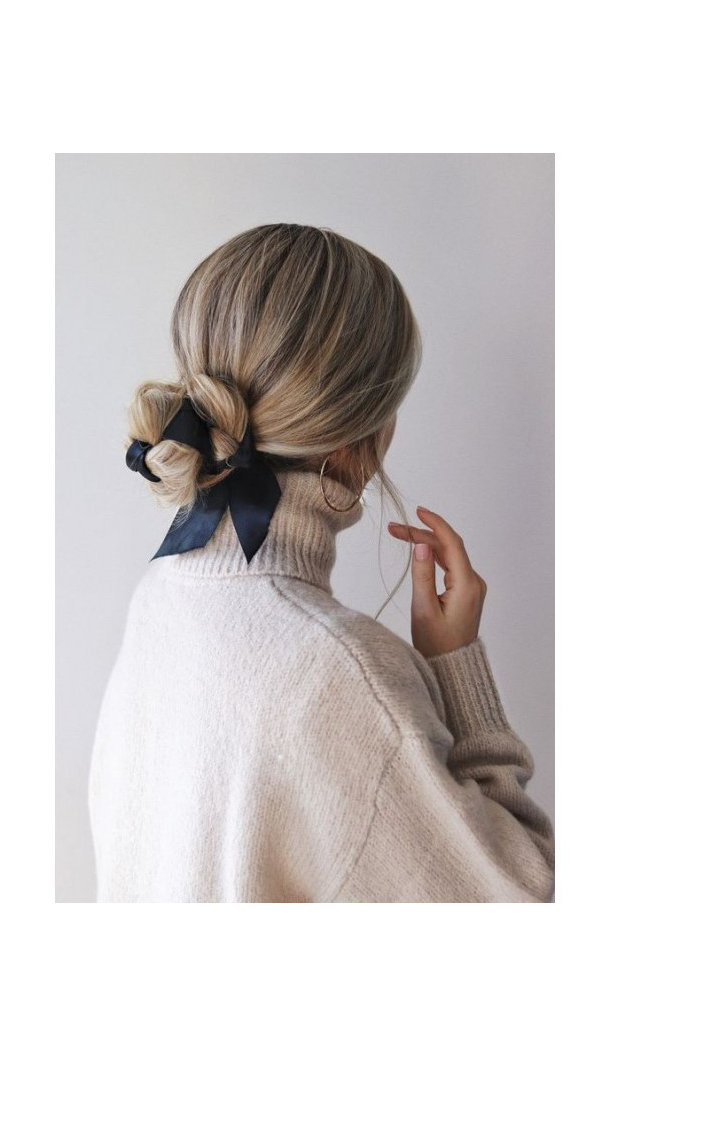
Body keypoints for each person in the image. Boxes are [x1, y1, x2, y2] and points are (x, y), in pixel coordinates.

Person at [88, 223, 555, 902]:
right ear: (364, 434)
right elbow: (529, 898)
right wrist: (458, 670)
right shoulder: (342, 673)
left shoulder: (160, 597)